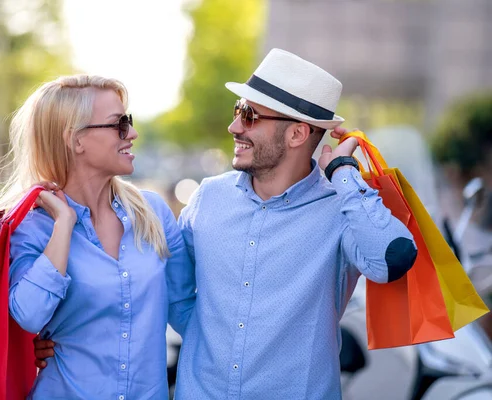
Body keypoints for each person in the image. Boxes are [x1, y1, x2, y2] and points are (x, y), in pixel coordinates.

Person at [34, 49, 417, 399]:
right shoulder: (208, 197)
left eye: (249, 116)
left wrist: (344, 174)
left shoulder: (341, 207)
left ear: (298, 133)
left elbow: (392, 259)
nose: (234, 127)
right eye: (238, 110)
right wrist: (61, 335)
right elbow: (163, 289)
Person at [0, 74, 196, 399]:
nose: (132, 133)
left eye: (128, 122)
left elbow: (188, 312)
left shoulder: (154, 214)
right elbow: (29, 316)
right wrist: (64, 225)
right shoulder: (32, 226)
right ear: (76, 140)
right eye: (119, 124)